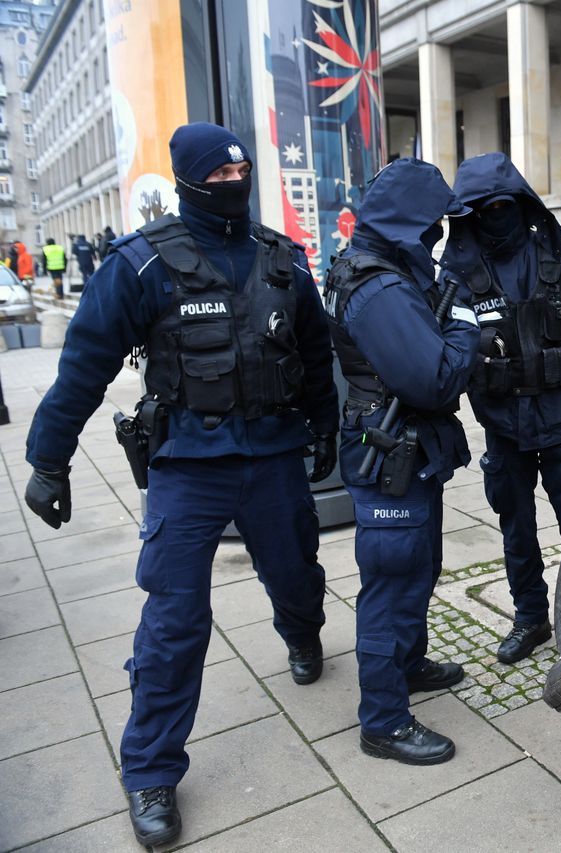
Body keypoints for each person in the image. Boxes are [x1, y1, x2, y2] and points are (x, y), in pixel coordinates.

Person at [23, 122, 338, 847]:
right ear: (190, 180)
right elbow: (83, 365)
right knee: (173, 621)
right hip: (188, 469)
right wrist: (48, 460)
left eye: (242, 172)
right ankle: (150, 771)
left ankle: (303, 633)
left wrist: (325, 427)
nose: (234, 183)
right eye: (218, 175)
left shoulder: (281, 262)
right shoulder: (142, 266)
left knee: (297, 577)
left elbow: (316, 352)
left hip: (273, 457)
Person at [442, 152, 561, 664]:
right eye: (484, 207)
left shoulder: (559, 254)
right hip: (504, 428)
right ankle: (530, 619)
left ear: (520, 202)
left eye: (505, 204)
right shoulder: (456, 271)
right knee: (516, 529)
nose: (496, 214)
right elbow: (437, 345)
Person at [325, 158, 480, 765]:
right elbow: (436, 381)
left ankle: (408, 665)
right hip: (391, 451)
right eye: (434, 223)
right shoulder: (380, 286)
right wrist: (464, 321)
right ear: (410, 221)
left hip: (402, 450)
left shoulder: (375, 265)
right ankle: (383, 721)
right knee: (391, 582)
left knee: (417, 566)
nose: (441, 234)